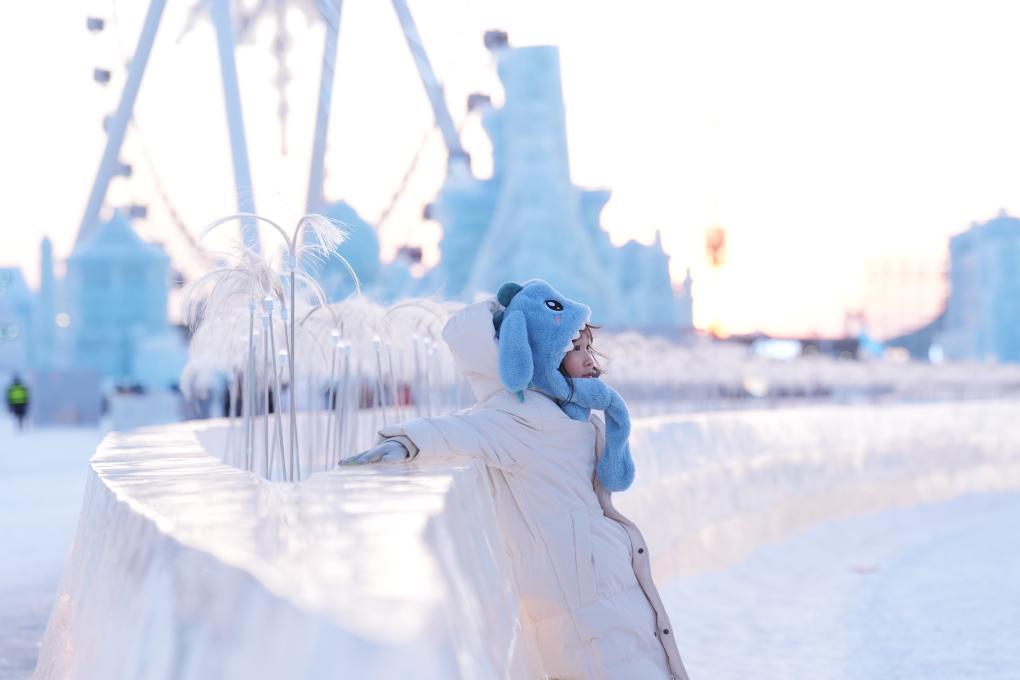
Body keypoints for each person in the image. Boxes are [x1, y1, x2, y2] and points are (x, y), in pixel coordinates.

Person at [341, 280, 690, 680]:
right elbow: (464, 429)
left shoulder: (569, 416)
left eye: (587, 347)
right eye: (574, 349)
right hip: (580, 598)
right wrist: (406, 441)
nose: (589, 360)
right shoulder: (520, 416)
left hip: (602, 584)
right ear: (541, 356)